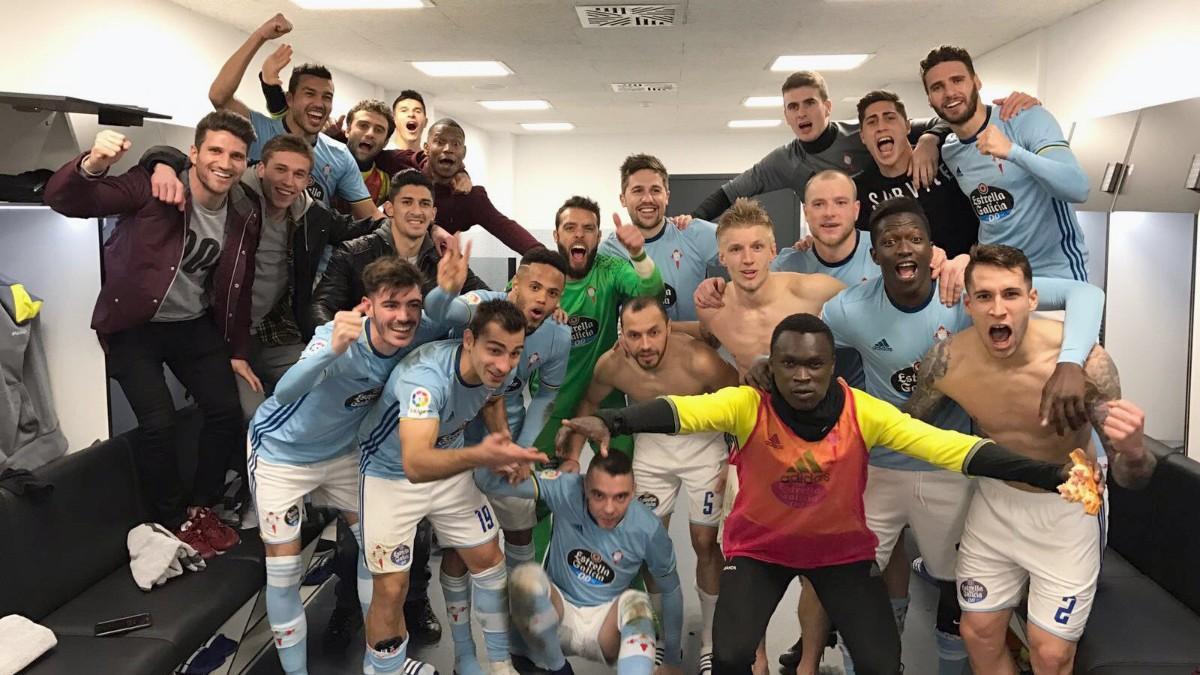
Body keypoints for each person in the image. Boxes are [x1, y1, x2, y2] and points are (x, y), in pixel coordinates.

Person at [561, 312, 1095, 675]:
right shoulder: (748, 405)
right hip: (760, 552)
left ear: (831, 367)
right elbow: (681, 411)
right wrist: (611, 418)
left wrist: (1049, 475)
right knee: (728, 657)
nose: (801, 376)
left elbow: (952, 449)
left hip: (841, 554)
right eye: (788, 364)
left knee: (883, 664)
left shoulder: (864, 410)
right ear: (772, 365)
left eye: (814, 365)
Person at [750, 198, 1104, 675]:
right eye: (890, 242)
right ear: (873, 254)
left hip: (951, 468)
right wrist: (767, 361)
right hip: (878, 467)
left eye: (915, 239)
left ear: (932, 246)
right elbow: (807, 348)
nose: (903, 250)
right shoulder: (850, 308)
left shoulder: (963, 293)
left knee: (958, 589)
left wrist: (1071, 358)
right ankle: (846, 663)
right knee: (850, 573)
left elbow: (1085, 294)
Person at [902, 244, 1155, 674]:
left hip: (1068, 509)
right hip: (996, 504)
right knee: (978, 633)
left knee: (1052, 654)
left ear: (1033, 300)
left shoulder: (1087, 366)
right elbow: (901, 427)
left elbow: (1134, 478)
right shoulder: (947, 363)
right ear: (968, 304)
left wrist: (1133, 448)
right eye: (984, 297)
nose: (998, 309)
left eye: (1011, 295)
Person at [43, 114, 257, 552]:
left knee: (224, 413)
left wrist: (235, 349)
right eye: (215, 151)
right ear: (194, 154)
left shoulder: (243, 209)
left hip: (192, 324)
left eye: (236, 156)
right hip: (133, 326)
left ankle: (203, 508)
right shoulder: (152, 186)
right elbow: (65, 199)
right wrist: (93, 163)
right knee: (158, 424)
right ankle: (172, 520)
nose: (225, 163)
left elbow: (239, 281)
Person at [310, 169, 490, 649]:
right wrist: (351, 341)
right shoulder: (355, 253)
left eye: (425, 203)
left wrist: (487, 298)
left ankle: (414, 603)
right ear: (387, 206)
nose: (415, 210)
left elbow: (485, 305)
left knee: (421, 515)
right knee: (361, 521)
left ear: (434, 211)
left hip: (418, 400)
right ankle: (348, 607)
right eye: (405, 200)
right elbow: (322, 307)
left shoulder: (444, 259)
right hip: (363, 398)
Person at [247, 257, 446, 675]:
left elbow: (470, 319)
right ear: (367, 306)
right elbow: (284, 392)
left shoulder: (419, 328)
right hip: (281, 454)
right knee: (284, 573)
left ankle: (381, 662)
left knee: (379, 551)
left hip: (343, 454)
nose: (404, 316)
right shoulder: (336, 336)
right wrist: (331, 351)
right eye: (391, 305)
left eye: (412, 305)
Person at [357, 299, 547, 675]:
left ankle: (487, 662)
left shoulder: (502, 369)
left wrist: (504, 442)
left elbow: (492, 400)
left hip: (451, 468)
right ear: (469, 340)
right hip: (391, 475)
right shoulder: (425, 380)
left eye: (514, 353)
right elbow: (416, 463)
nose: (504, 364)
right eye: (494, 350)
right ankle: (383, 669)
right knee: (392, 588)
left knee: (489, 560)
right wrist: (483, 455)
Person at [136, 134, 380, 418]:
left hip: (273, 329)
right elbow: (182, 158)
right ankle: (242, 461)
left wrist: (420, 225)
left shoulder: (309, 213)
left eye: (299, 174)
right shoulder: (234, 193)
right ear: (261, 168)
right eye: (280, 169)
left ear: (308, 182)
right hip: (219, 332)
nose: (288, 181)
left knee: (325, 389)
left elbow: (357, 227)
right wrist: (162, 163)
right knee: (251, 414)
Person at [558, 297, 739, 672]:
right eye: (635, 335)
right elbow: (587, 407)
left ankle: (709, 639)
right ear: (621, 335)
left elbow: (739, 401)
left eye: (654, 333)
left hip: (704, 446)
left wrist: (737, 461)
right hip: (652, 449)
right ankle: (657, 635)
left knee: (705, 542)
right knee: (647, 544)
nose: (645, 345)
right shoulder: (612, 365)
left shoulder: (699, 359)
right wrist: (574, 455)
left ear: (669, 329)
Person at [424, 248, 571, 574]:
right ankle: (460, 627)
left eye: (552, 293)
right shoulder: (481, 306)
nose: (541, 300)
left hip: (509, 434)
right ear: (515, 283)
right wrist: (447, 289)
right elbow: (438, 312)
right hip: (455, 436)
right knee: (460, 547)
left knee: (520, 532)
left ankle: (522, 613)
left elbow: (547, 395)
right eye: (534, 287)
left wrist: (520, 447)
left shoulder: (558, 336)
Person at [473, 451, 685, 675]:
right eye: (599, 495)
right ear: (584, 486)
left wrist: (671, 659)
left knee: (637, 604)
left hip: (606, 629)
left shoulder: (648, 528)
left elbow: (670, 589)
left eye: (620, 497)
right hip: (557, 616)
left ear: (633, 492)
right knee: (526, 580)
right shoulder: (565, 489)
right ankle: (558, 668)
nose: (609, 508)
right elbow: (485, 481)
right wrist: (509, 457)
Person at [920, 45, 1089, 280]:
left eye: (957, 80)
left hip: (1053, 275)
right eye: (937, 87)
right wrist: (926, 141)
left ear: (977, 82)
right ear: (929, 99)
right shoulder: (949, 150)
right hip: (995, 279)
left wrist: (1012, 152)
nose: (949, 92)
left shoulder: (1024, 118)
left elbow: (1078, 188)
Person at [526, 196, 665, 460]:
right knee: (545, 477)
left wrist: (639, 254)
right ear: (556, 234)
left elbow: (651, 293)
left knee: (618, 471)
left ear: (599, 236)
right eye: (570, 228)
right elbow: (511, 306)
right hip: (551, 399)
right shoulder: (538, 274)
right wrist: (539, 312)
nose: (579, 234)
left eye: (588, 229)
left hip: (605, 396)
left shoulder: (611, 269)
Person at [207, 12, 379, 220]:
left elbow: (369, 216)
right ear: (290, 99)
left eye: (326, 97)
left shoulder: (340, 155)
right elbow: (219, 96)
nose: (319, 103)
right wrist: (260, 36)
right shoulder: (256, 129)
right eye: (309, 94)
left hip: (308, 250)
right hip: (253, 244)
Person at [688, 198, 845, 374]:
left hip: (808, 397)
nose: (747, 259)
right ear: (722, 257)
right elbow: (706, 337)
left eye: (757, 247)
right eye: (736, 249)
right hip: (752, 399)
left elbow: (870, 304)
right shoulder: (711, 307)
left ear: (772, 251)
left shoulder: (813, 291)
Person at [855, 90, 980, 259]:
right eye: (872, 122)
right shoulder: (858, 190)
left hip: (964, 271)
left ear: (907, 126)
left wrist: (930, 138)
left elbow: (963, 120)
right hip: (905, 280)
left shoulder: (944, 157)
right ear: (862, 136)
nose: (881, 127)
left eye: (889, 118)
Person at [598, 154, 720, 321]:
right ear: (623, 199)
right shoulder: (609, 252)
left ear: (667, 196)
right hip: (640, 347)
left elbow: (762, 259)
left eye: (655, 190)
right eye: (638, 190)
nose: (647, 199)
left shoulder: (693, 232)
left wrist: (725, 289)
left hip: (696, 345)